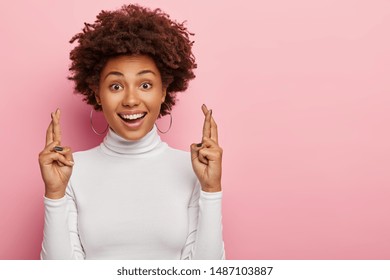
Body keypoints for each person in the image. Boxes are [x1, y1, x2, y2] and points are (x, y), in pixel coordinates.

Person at [38, 4, 224, 260]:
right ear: (97, 95)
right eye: (115, 86)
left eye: (145, 84)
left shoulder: (194, 170)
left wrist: (211, 189)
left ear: (163, 92)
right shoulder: (69, 170)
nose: (131, 100)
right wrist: (55, 194)